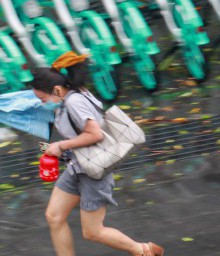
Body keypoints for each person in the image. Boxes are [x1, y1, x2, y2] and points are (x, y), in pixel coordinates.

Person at [31, 51, 164, 256]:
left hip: (93, 173)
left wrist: (61, 146)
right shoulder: (71, 95)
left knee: (93, 232)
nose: (42, 103)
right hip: (77, 167)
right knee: (54, 216)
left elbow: (95, 134)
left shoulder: (74, 102)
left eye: (42, 98)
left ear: (57, 90)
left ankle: (143, 250)